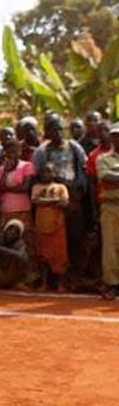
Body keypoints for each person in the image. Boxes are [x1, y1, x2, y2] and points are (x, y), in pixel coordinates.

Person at [33, 114, 88, 282]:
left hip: (72, 196)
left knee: (75, 236)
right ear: (47, 132)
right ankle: (54, 276)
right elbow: (38, 175)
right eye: (53, 129)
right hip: (52, 198)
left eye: (59, 128)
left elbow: (82, 170)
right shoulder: (42, 151)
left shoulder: (73, 147)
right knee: (54, 238)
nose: (57, 132)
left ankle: (76, 275)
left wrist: (80, 192)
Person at [31, 163, 70, 292]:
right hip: (41, 226)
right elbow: (35, 201)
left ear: (54, 173)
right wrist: (53, 202)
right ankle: (44, 283)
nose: (45, 175)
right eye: (43, 172)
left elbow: (64, 202)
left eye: (49, 172)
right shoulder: (36, 187)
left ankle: (61, 284)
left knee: (60, 256)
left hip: (58, 226)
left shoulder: (61, 187)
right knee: (42, 257)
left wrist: (45, 202)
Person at [94, 125, 119, 300]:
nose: (118, 139)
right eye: (115, 136)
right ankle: (112, 284)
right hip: (110, 205)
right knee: (110, 247)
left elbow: (113, 177)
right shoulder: (103, 158)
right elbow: (105, 177)